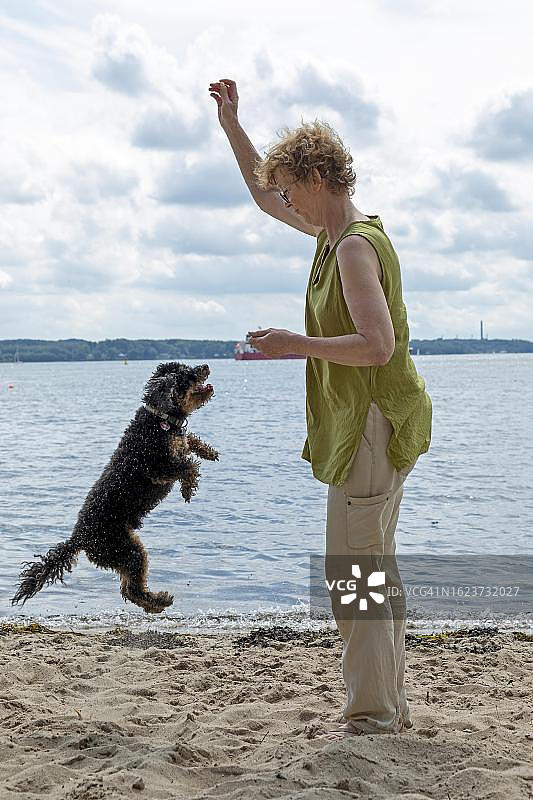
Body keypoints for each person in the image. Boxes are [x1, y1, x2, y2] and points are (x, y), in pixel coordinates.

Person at [209, 78, 432, 738]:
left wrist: (292, 345)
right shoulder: (328, 235)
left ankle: (371, 716)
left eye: (290, 184)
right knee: (370, 570)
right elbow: (259, 192)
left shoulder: (355, 247)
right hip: (375, 425)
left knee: (353, 575)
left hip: (372, 426)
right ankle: (388, 707)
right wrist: (231, 124)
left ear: (315, 178)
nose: (283, 196)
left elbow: (375, 345)